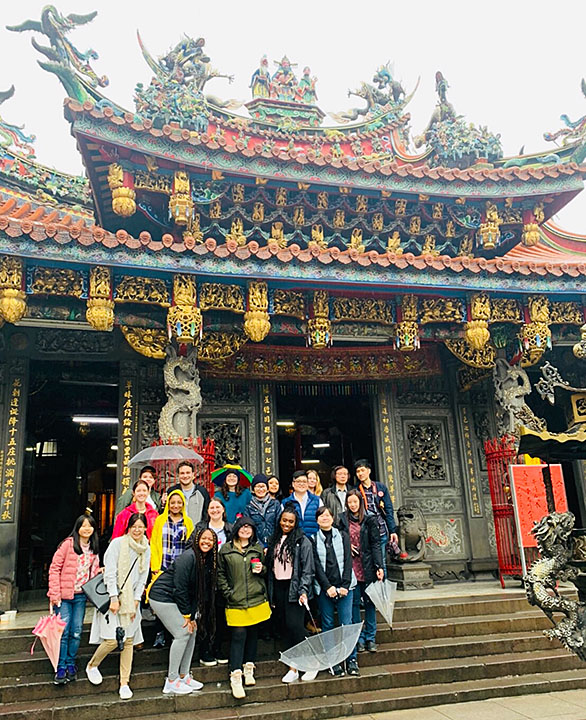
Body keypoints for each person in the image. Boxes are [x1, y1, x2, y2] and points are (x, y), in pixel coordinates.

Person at [86, 513, 150, 700]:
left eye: (141, 526)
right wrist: (114, 597)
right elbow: (110, 571)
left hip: (132, 602)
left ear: (145, 528)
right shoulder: (117, 544)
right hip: (115, 599)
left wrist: (137, 598)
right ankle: (92, 665)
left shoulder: (145, 548)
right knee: (112, 640)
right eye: (134, 526)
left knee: (128, 640)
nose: (137, 530)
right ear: (128, 527)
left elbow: (143, 574)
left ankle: (124, 682)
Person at [149, 527, 217, 695]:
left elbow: (196, 592)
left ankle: (184, 675)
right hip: (162, 596)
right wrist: (186, 615)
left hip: (176, 599)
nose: (207, 542)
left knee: (192, 631)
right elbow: (180, 588)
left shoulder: (204, 560)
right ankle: (171, 681)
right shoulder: (188, 557)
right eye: (204, 538)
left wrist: (192, 617)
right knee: (182, 633)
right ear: (196, 539)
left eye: (211, 540)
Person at [217, 516, 271, 699]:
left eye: (249, 528)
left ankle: (249, 668)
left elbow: (265, 570)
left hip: (256, 597)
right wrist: (228, 592)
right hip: (236, 599)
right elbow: (221, 574)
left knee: (253, 633)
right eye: (243, 527)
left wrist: (261, 569)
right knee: (239, 635)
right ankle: (235, 675)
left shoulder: (257, 549)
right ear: (237, 529)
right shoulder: (226, 549)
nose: (246, 530)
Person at [48, 514, 100, 685]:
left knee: (76, 632)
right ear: (77, 528)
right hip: (63, 596)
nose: (87, 529)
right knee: (64, 632)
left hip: (80, 597)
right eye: (83, 525)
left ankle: (71, 663)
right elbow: (54, 568)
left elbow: (93, 573)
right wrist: (54, 594)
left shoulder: (93, 548)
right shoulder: (67, 545)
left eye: (90, 526)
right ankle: (60, 666)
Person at [266, 503, 314, 684]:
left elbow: (308, 569)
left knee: (296, 626)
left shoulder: (302, 541)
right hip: (278, 587)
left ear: (296, 523)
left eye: (291, 521)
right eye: (284, 520)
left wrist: (303, 590)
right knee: (286, 627)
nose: (286, 524)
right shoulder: (275, 540)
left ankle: (311, 662)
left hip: (295, 588)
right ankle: (293, 667)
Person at [311, 506, 358, 677]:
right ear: (317, 520)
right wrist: (327, 587)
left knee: (347, 623)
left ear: (332, 518)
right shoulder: (313, 539)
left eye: (327, 515)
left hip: (345, 587)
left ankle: (351, 659)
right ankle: (333, 661)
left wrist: (345, 585)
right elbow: (316, 566)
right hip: (325, 589)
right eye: (321, 516)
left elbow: (348, 560)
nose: (325, 518)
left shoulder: (343, 536)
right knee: (328, 625)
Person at [339, 489, 384, 654]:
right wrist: (347, 545)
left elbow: (376, 544)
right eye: (349, 502)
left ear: (360, 502)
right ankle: (358, 639)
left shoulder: (370, 519)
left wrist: (379, 566)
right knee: (355, 604)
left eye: (355, 502)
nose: (352, 505)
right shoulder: (342, 519)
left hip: (368, 566)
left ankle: (371, 637)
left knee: (370, 603)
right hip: (351, 568)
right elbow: (338, 537)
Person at [149, 489, 194, 649]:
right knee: (162, 601)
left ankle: (175, 634)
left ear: (183, 504)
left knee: (178, 600)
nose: (175, 505)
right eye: (172, 502)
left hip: (180, 569)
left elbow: (190, 545)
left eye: (178, 502)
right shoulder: (161, 520)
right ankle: (159, 633)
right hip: (163, 567)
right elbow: (154, 544)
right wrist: (155, 567)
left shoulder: (188, 522)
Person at [195, 497, 232, 665]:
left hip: (224, 577)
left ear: (223, 510)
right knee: (205, 615)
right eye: (212, 508)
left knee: (220, 615)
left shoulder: (230, 529)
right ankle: (205, 651)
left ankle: (217, 648)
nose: (215, 510)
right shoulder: (201, 527)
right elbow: (192, 546)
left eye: (218, 507)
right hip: (205, 578)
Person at [354, 459, 398, 575]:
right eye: (358, 471)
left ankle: (382, 589)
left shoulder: (380, 487)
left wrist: (392, 530)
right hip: (365, 531)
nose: (360, 473)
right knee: (367, 561)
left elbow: (388, 509)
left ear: (369, 471)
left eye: (362, 470)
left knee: (382, 561)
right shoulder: (356, 490)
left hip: (381, 530)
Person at [167, 461, 210, 527]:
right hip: (176, 531)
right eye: (182, 473)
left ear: (193, 474)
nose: (185, 476)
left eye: (188, 473)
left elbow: (206, 515)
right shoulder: (172, 491)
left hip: (196, 532)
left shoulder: (202, 492)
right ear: (178, 475)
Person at [246, 474, 282, 549]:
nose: (260, 489)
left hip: (274, 545)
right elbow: (248, 527)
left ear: (267, 489)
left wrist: (273, 544)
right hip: (255, 546)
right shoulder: (249, 506)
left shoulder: (275, 504)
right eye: (257, 486)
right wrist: (260, 546)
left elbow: (279, 525)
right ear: (253, 489)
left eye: (263, 486)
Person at [283, 471, 322, 537]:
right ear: (293, 484)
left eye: (304, 482)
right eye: (298, 482)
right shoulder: (285, 502)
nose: (301, 484)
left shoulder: (317, 500)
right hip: (293, 541)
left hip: (314, 540)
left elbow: (322, 521)